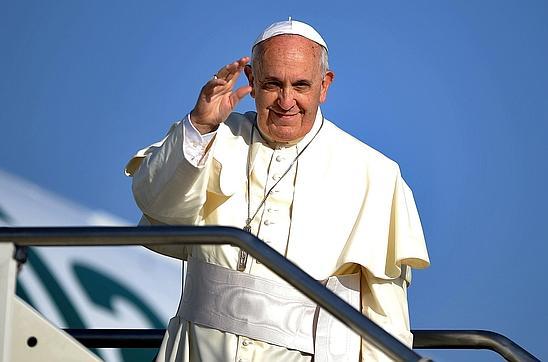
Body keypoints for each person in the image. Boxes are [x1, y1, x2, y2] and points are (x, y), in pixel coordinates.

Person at [125, 18, 430, 362]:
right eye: (273, 84)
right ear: (252, 82)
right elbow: (158, 205)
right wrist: (201, 125)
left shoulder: (374, 174)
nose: (286, 101)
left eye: (301, 86)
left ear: (324, 85)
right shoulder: (214, 139)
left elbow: (385, 314)